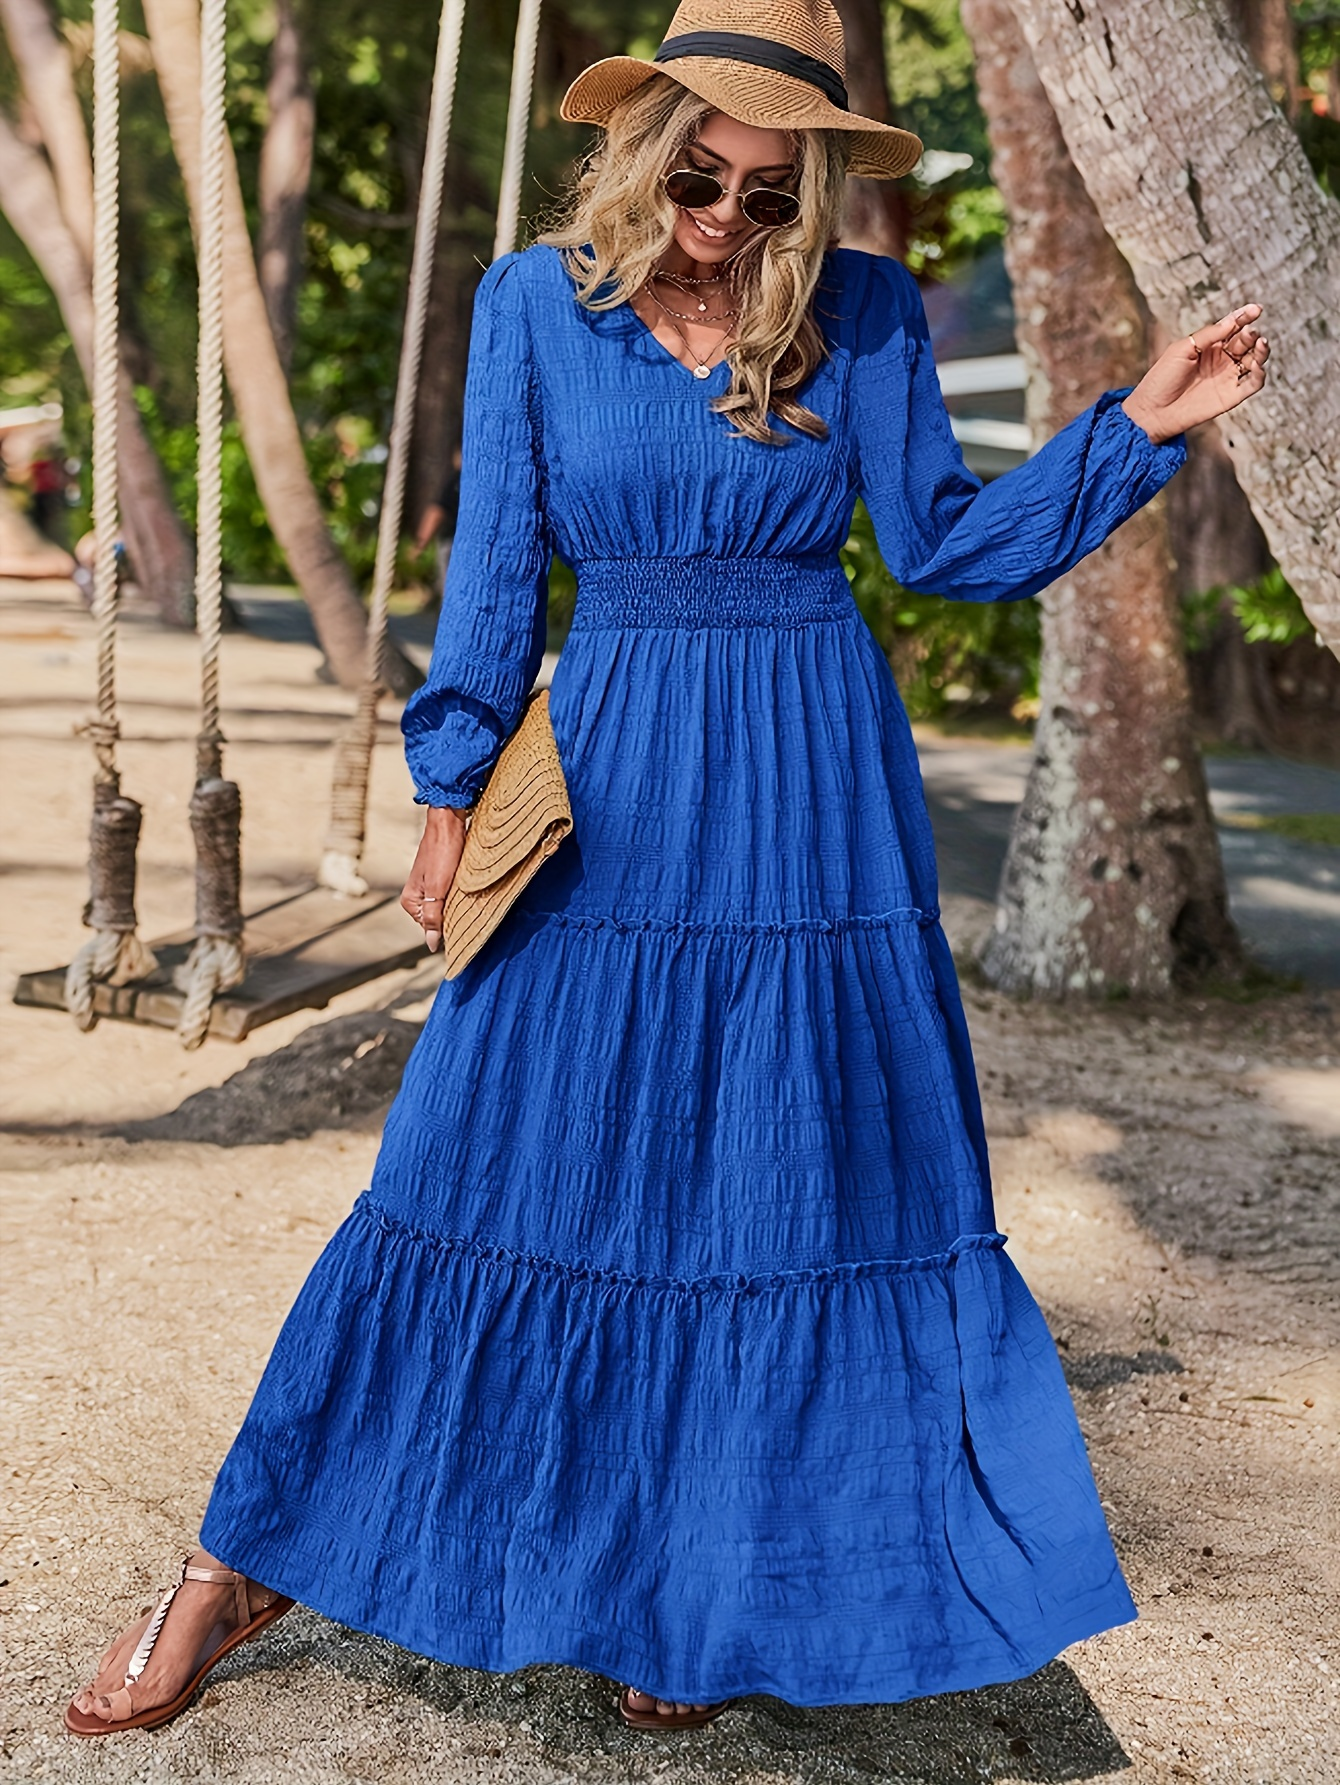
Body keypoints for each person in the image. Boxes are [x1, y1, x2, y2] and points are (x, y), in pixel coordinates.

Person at [65, 0, 1270, 1740]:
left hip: (809, 789)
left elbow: (939, 546)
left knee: (783, 1186)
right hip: (616, 768)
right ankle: (240, 1564)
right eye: (703, 176)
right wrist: (451, 789)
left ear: (817, 201)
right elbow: (494, 578)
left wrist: (1140, 425)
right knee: (476, 1164)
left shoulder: (861, 315)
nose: (727, 218)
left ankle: (692, 1591)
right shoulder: (534, 306)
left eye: (772, 195)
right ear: (648, 148)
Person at [414, 442, 463, 613]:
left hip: (451, 540)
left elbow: (436, 511)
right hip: (472, 542)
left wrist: (421, 543)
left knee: (449, 588)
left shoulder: (457, 479)